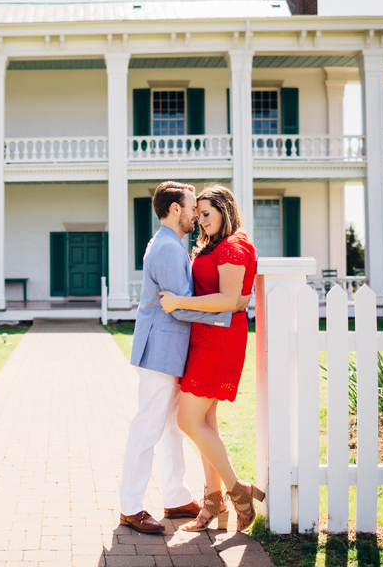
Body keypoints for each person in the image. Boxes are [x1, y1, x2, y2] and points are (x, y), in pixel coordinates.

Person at [118, 181, 249, 535]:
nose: (196, 215)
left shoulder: (170, 244)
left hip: (174, 354)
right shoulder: (169, 249)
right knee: (147, 428)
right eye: (193, 207)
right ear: (175, 210)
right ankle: (130, 506)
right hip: (161, 352)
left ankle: (176, 497)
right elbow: (177, 308)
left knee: (172, 428)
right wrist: (229, 309)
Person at [159, 184, 264, 532]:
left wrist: (177, 302)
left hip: (219, 341)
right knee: (206, 422)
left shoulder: (235, 245)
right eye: (198, 214)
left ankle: (238, 491)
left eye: (206, 214)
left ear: (224, 209)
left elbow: (228, 299)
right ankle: (213, 505)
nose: (200, 221)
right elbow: (227, 297)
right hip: (203, 338)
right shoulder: (215, 245)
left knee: (188, 421)